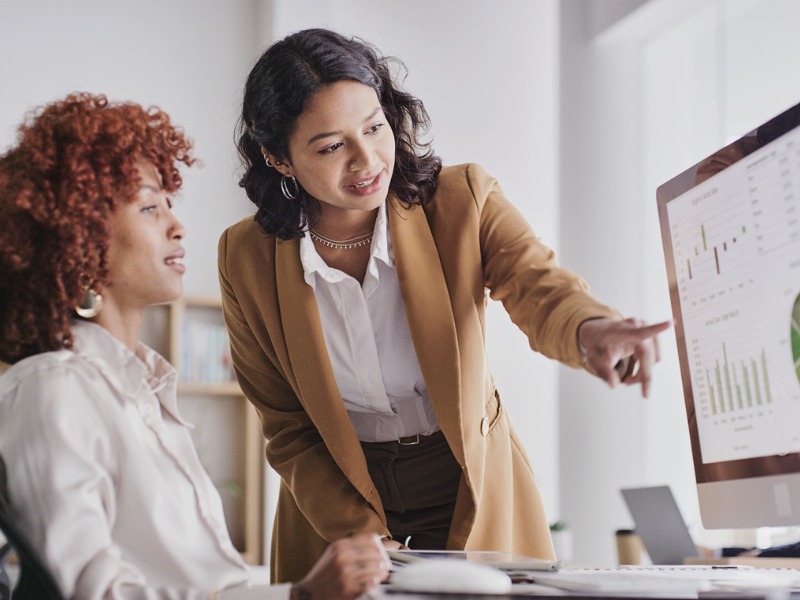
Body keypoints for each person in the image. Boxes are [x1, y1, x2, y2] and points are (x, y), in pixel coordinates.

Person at [219, 28, 672, 583]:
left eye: (374, 127)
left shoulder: (463, 200)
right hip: (335, 495)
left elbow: (538, 285)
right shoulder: (245, 257)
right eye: (332, 146)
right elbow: (287, 425)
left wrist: (590, 328)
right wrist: (354, 529)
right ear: (278, 158)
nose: (367, 160)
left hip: (465, 481)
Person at [0, 92, 389, 600]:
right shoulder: (53, 389)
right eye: (147, 206)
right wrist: (300, 597)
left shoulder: (139, 389)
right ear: (78, 239)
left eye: (169, 203)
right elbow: (90, 593)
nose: (177, 225)